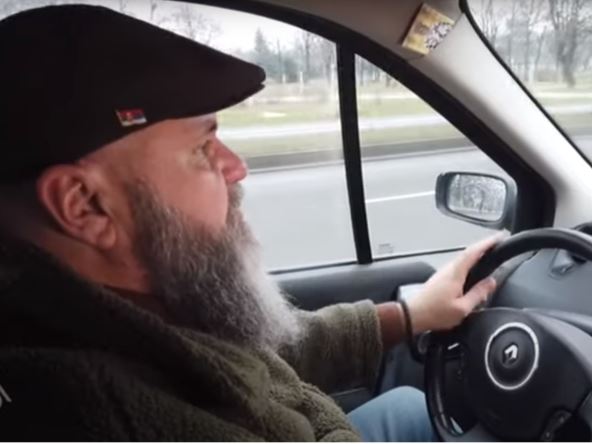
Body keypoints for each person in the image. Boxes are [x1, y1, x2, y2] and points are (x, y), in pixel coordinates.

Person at [0, 4, 499, 441]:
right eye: (202, 148)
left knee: (408, 407)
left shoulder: (135, 304)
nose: (236, 166)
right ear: (84, 205)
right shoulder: (105, 414)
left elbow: (259, 355)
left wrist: (411, 315)